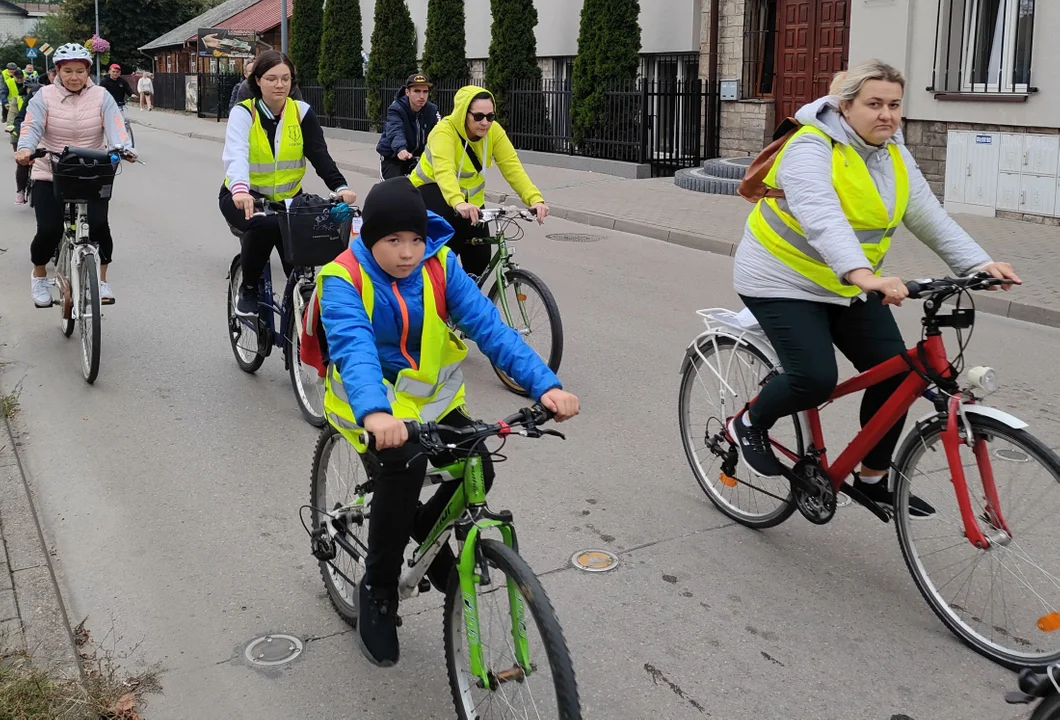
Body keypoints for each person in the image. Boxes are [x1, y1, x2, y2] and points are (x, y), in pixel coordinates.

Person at [727, 59, 1021, 518]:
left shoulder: (893, 154)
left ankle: (872, 479)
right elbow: (822, 217)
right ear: (845, 107)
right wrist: (864, 275)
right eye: (874, 104)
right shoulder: (810, 147)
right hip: (780, 278)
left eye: (895, 105)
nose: (887, 114)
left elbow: (928, 217)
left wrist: (978, 264)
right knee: (814, 377)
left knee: (900, 373)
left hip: (846, 284)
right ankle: (748, 421)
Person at [318, 176, 580, 667]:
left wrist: (545, 385)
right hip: (369, 405)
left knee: (480, 461)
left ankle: (425, 525)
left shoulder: (441, 265)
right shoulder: (343, 277)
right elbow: (353, 348)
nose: (408, 252)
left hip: (431, 403)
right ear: (370, 237)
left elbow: (489, 325)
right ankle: (378, 591)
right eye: (393, 240)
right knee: (405, 466)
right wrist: (376, 413)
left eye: (416, 239)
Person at [219, 49, 357, 318]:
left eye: (286, 78)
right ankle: (248, 288)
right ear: (257, 80)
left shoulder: (301, 112)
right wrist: (239, 189)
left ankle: (300, 318)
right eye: (272, 78)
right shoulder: (243, 113)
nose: (280, 84)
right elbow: (236, 153)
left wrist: (340, 187)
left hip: (289, 199)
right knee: (263, 224)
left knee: (301, 260)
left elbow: (319, 154)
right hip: (244, 197)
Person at [15, 44, 133, 307]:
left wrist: (124, 147)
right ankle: (39, 275)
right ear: (57, 72)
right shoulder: (43, 96)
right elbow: (32, 125)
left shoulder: (102, 96)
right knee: (49, 229)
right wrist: (25, 149)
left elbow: (116, 126)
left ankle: (101, 280)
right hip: (51, 171)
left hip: (92, 173)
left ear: (87, 71)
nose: (74, 77)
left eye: (79, 71)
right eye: (67, 71)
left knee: (99, 225)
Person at [410, 85, 549, 278]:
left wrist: (535, 199)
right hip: (433, 194)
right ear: (463, 114)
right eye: (478, 116)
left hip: (471, 203)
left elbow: (512, 167)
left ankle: (467, 303)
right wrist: (458, 201)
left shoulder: (494, 132)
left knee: (480, 261)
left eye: (490, 116)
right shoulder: (444, 131)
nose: (485, 122)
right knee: (442, 259)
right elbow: (444, 171)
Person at [376, 73, 440, 180]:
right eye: (417, 91)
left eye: (425, 91)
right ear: (407, 92)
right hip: (394, 157)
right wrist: (400, 148)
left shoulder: (432, 110)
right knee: (393, 189)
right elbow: (395, 130)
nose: (421, 96)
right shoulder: (396, 108)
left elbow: (439, 131)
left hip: (419, 157)